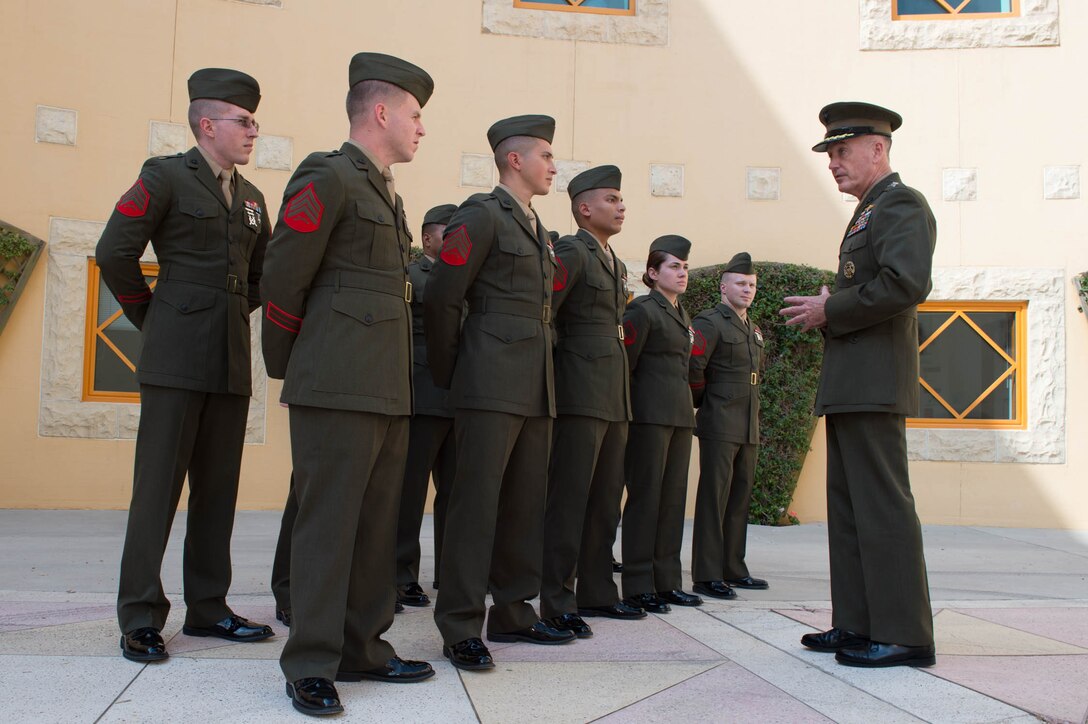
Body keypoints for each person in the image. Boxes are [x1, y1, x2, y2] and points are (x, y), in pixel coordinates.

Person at [261, 52, 436, 716]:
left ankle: (363, 645)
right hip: (335, 383)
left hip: (386, 386)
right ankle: (310, 661)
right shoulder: (329, 174)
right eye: (416, 116)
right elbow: (284, 277)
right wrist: (297, 366)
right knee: (327, 526)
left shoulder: (386, 191)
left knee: (373, 527)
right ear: (383, 111)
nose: (422, 129)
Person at [97, 68, 273, 664]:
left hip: (228, 359)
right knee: (157, 490)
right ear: (207, 124)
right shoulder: (166, 176)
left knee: (218, 491)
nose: (253, 131)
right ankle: (141, 616)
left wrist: (225, 310)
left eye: (254, 120)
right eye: (243, 121)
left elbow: (262, 276)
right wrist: (157, 316)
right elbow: (114, 252)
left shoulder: (251, 199)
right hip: (174, 359)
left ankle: (208, 609)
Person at [780, 101, 936, 668]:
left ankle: (905, 635)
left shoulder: (901, 204)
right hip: (853, 382)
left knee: (882, 509)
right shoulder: (869, 210)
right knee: (848, 510)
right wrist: (833, 306)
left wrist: (832, 309)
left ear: (878, 148)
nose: (833, 163)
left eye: (842, 151)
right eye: (829, 153)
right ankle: (856, 623)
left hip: (875, 381)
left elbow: (905, 282)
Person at [425, 114, 575, 672]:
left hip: (535, 384)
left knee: (521, 505)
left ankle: (514, 610)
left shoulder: (535, 225)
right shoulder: (483, 214)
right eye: (546, 156)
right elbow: (443, 296)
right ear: (516, 160)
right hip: (488, 380)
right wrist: (455, 371)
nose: (554, 166)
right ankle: (461, 624)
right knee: (474, 505)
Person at [541, 165, 646, 638]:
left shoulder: (614, 260)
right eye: (611, 199)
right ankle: (557, 598)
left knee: (605, 500)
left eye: (621, 199)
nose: (621, 206)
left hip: (612, 394)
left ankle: (599, 591)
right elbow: (549, 315)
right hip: (580, 391)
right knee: (570, 499)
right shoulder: (573, 250)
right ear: (585, 208)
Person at [619, 235, 702, 614]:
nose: (682, 272)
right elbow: (627, 366)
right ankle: (638, 583)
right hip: (649, 417)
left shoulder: (682, 314)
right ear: (652, 273)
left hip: (679, 417)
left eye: (684, 267)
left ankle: (667, 582)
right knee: (646, 499)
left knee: (672, 502)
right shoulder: (643, 310)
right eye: (673, 266)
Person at [688, 252, 767, 600]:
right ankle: (706, 574)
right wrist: (708, 403)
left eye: (751, 284)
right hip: (720, 420)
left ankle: (733, 568)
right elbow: (694, 369)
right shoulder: (711, 322)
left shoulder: (753, 329)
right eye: (740, 283)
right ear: (724, 286)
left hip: (747, 422)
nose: (747, 289)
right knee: (714, 497)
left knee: (739, 498)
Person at [395, 203, 460, 606]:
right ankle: (401, 575)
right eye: (447, 234)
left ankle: (451, 573)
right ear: (428, 239)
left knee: (456, 493)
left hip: (459, 396)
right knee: (409, 492)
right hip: (421, 394)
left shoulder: (467, 278)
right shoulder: (411, 275)